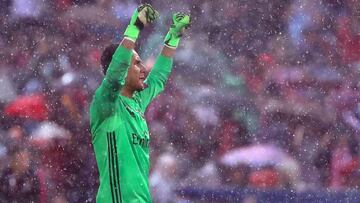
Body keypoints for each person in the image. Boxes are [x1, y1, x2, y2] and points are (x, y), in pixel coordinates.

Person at [89, 4, 190, 203]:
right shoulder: (107, 104)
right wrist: (135, 26)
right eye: (136, 63)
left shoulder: (136, 102)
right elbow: (115, 73)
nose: (143, 68)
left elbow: (158, 78)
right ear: (122, 68)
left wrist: (173, 37)